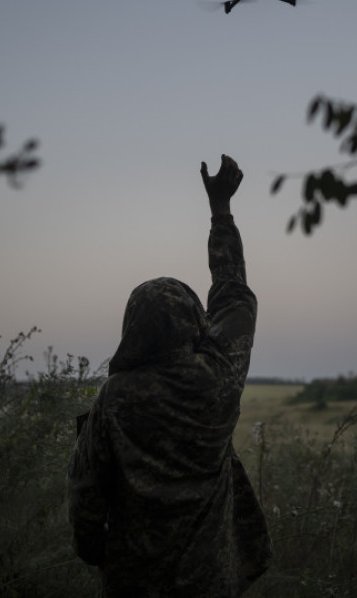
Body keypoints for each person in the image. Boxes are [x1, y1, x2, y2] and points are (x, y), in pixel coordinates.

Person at [68, 154, 272, 597]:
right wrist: (221, 212)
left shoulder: (114, 399)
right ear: (195, 324)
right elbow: (233, 294)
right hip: (209, 581)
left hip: (132, 581)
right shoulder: (220, 378)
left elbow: (86, 492)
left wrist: (93, 550)